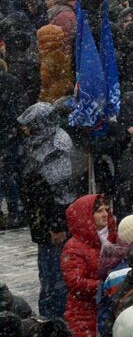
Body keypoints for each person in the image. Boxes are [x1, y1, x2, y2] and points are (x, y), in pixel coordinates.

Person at [20, 102, 78, 320]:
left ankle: (56, 321)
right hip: (43, 223)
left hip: (53, 228)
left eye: (29, 124)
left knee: (55, 277)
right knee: (48, 274)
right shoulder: (41, 142)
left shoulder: (56, 147)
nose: (25, 129)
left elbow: (62, 193)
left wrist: (56, 226)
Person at [60, 194, 118, 337]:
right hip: (84, 313)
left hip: (109, 308)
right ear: (86, 216)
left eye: (106, 210)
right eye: (99, 211)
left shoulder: (112, 239)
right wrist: (104, 287)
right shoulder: (73, 247)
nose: (105, 214)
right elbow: (74, 282)